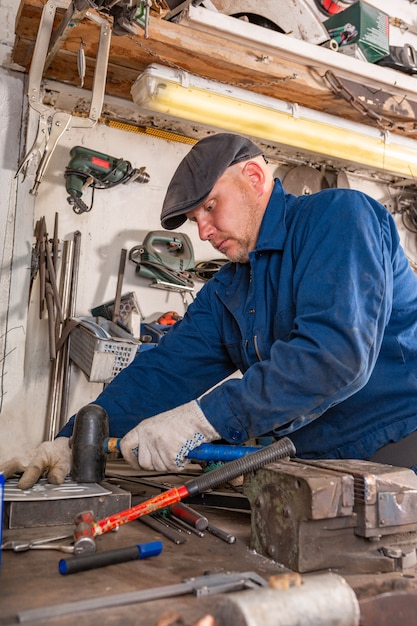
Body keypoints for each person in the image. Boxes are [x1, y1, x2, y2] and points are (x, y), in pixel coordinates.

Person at [3, 132, 417, 489]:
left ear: (253, 177)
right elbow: (163, 372)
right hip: (317, 461)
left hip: (399, 442)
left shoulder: (338, 218)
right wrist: (74, 439)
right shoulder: (229, 287)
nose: (202, 230)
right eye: (193, 217)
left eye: (210, 206)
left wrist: (202, 420)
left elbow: (333, 356)